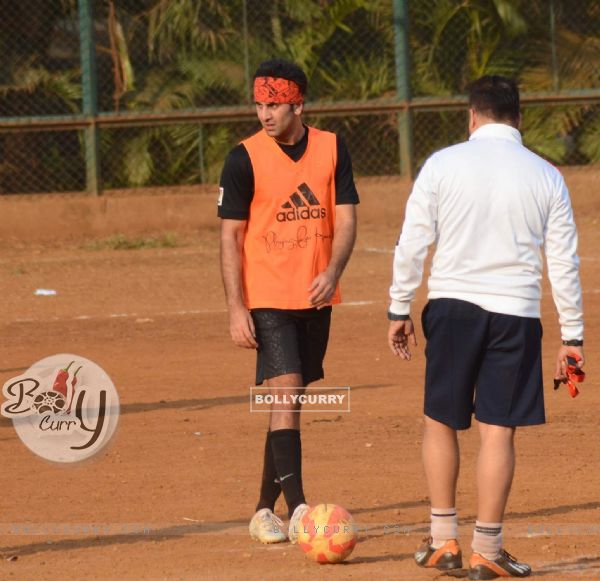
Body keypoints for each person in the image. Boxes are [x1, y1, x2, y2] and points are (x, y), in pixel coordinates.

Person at [387, 75, 584, 579]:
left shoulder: (443, 163)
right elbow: (563, 263)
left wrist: (398, 308)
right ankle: (487, 551)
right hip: (515, 313)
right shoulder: (546, 175)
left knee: (440, 419)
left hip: (452, 308)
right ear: (518, 118)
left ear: (472, 116)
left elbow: (413, 242)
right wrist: (572, 338)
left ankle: (442, 541)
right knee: (498, 433)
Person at [218, 59, 359, 545]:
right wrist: (238, 308)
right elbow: (230, 238)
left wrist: (333, 271)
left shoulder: (332, 148)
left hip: (316, 297)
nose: (264, 113)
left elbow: (345, 220)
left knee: (288, 403)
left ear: (298, 104)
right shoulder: (243, 158)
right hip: (268, 298)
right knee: (289, 391)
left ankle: (262, 509)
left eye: (274, 104)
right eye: (259, 104)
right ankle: (299, 508)